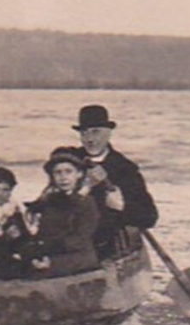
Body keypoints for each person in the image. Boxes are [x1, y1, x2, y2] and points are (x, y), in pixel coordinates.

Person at [72, 104, 158, 258]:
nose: (90, 139)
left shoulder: (124, 168)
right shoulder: (70, 161)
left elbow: (149, 216)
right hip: (72, 242)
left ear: (108, 133)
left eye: (96, 132)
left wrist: (121, 206)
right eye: (84, 133)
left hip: (107, 247)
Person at [23, 147, 100, 278]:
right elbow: (44, 232)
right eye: (58, 173)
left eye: (68, 172)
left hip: (79, 258)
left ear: (79, 174)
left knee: (38, 272)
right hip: (54, 254)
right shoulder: (51, 201)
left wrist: (49, 254)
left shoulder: (87, 203)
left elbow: (79, 239)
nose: (63, 177)